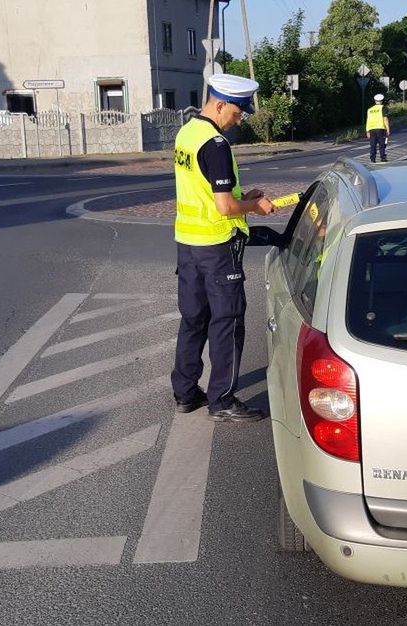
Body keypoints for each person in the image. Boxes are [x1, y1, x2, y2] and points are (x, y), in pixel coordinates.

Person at [171, 73, 275, 423]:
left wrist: (240, 198)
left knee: (193, 320)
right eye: (238, 111)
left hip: (188, 245)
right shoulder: (215, 145)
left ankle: (185, 393)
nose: (240, 118)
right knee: (227, 323)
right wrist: (254, 207)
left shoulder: (187, 133)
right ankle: (222, 400)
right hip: (217, 248)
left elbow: (204, 193)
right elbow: (224, 208)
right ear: (219, 104)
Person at [366, 93, 390, 163]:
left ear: (375, 101)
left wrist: (367, 131)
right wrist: (388, 129)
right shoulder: (383, 108)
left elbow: (368, 120)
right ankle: (383, 158)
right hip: (380, 128)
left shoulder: (370, 109)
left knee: (373, 145)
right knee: (382, 144)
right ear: (382, 101)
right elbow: (385, 119)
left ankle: (372, 159)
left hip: (371, 129)